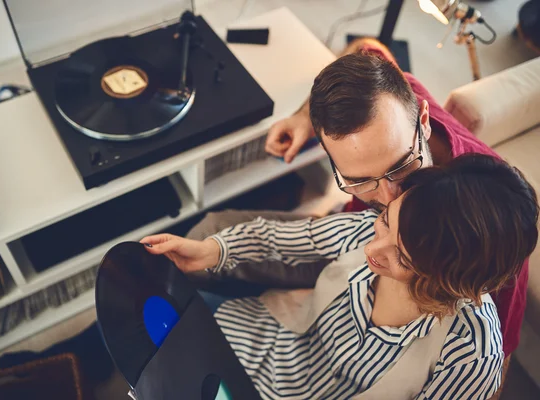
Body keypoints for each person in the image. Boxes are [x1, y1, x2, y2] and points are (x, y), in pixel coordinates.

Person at [186, 39, 531, 393]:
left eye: (401, 167)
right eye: (359, 181)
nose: (388, 197)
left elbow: (496, 354)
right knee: (203, 239)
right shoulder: (388, 94)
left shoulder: (484, 227)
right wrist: (304, 118)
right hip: (339, 247)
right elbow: (365, 47)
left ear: (423, 122)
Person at [142, 154, 539, 399]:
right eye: (386, 221)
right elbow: (285, 238)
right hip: (272, 338)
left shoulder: (470, 358)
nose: (371, 249)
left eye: (401, 256)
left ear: (451, 280)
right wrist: (211, 251)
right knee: (150, 351)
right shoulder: (369, 232)